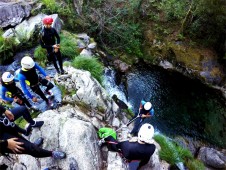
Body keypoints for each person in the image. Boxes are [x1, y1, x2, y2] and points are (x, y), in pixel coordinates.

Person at [0, 105, 66, 159]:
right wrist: (6, 144)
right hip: (2, 138)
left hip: (2, 121)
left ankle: (32, 125)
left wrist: (4, 110)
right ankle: (51, 154)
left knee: (22, 109)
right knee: (31, 149)